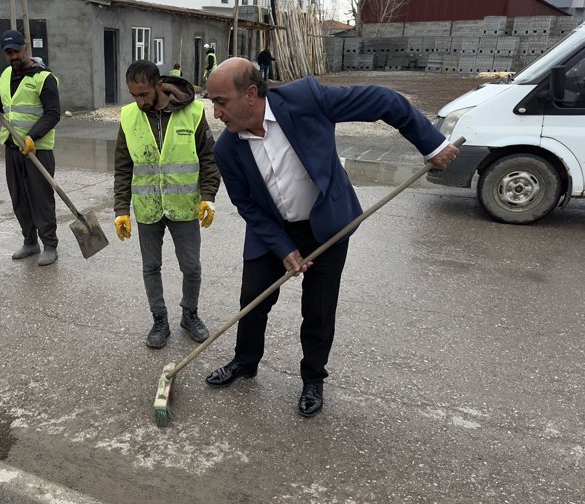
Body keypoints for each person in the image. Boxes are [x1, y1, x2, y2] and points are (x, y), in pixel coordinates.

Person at [204, 58, 459, 417]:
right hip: (273, 231)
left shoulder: (306, 99)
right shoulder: (226, 149)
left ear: (250, 94)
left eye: (221, 102)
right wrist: (283, 247)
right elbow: (247, 205)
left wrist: (431, 145)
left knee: (319, 309)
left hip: (325, 224)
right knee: (253, 300)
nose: (216, 114)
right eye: (213, 103)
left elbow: (384, 101)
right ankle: (245, 362)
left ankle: (313, 378)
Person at [114, 59, 221, 349]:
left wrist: (208, 196)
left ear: (159, 85)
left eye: (144, 94)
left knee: (192, 267)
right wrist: (121, 210)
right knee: (151, 267)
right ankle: (159, 319)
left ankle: (190, 314)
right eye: (133, 95)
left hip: (184, 206)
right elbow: (123, 168)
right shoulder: (129, 117)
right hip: (147, 208)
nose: (139, 101)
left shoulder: (193, 112)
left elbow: (209, 159)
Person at [0, 30, 61, 266]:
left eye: (17, 51)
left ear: (26, 47)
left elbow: (53, 114)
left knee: (41, 199)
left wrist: (32, 137)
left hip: (37, 150)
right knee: (19, 198)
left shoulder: (44, 78)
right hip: (13, 148)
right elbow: (0, 107)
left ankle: (50, 245)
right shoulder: (6, 75)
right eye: (9, 53)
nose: (14, 57)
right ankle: (30, 242)